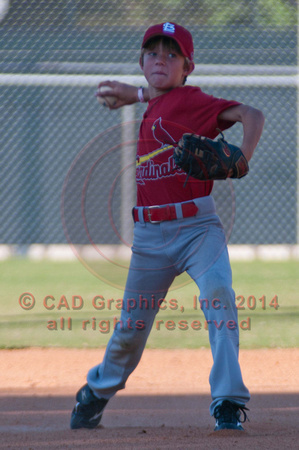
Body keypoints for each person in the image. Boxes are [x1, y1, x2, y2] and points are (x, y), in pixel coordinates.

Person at [70, 22, 265, 432]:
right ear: (141, 63)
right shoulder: (153, 102)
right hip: (150, 238)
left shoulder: (193, 100)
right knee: (131, 328)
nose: (161, 59)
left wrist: (242, 156)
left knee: (219, 296)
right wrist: (135, 94)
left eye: (172, 54)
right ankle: (96, 392)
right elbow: (156, 95)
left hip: (198, 228)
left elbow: (252, 113)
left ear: (188, 67)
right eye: (153, 53)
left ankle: (228, 401)